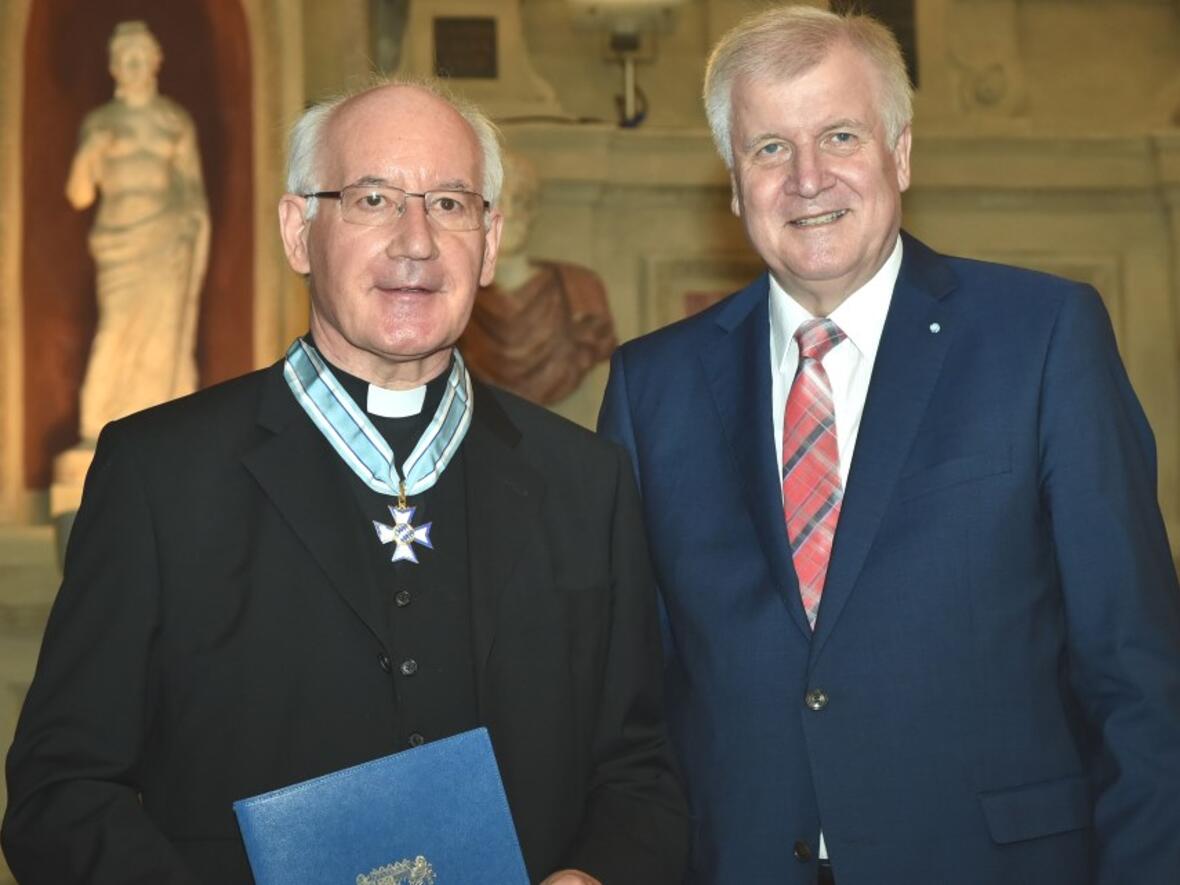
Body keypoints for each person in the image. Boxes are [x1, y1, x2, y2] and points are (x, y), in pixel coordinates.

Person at [4, 79, 687, 884]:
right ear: (299, 231)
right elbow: (61, 790)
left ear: (492, 240)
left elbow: (641, 772)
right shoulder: (159, 475)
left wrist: (598, 875)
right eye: (372, 198)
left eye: (450, 203)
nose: (416, 241)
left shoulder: (587, 481)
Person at [598, 6, 1180, 884]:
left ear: (899, 153)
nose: (806, 178)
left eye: (839, 135)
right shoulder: (653, 388)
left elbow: (1138, 683)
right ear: (732, 180)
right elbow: (631, 705)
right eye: (768, 149)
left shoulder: (1042, 337)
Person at [65, 20, 210, 442]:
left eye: (140, 56)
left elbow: (193, 191)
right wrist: (91, 152)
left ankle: (160, 426)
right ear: (113, 66)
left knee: (162, 336)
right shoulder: (100, 123)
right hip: (120, 242)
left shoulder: (175, 121)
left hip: (166, 242)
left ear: (155, 62)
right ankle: (100, 426)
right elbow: (78, 195)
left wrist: (190, 226)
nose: (133, 64)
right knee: (115, 330)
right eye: (125, 57)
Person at [459, 152, 616, 405]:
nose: (510, 212)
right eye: (499, 201)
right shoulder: (457, 296)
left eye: (521, 200)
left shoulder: (581, 291)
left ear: (534, 210)